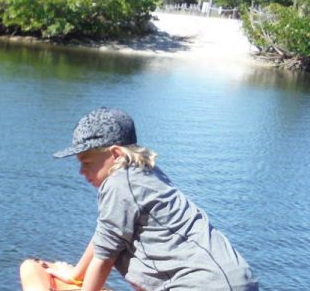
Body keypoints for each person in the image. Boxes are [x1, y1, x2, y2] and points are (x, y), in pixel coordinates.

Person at [48, 108, 259, 291]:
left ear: (115, 154)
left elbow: (105, 258)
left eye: (87, 162)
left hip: (202, 283)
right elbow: (105, 237)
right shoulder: (147, 173)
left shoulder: (118, 184)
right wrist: (76, 275)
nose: (81, 172)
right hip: (236, 279)